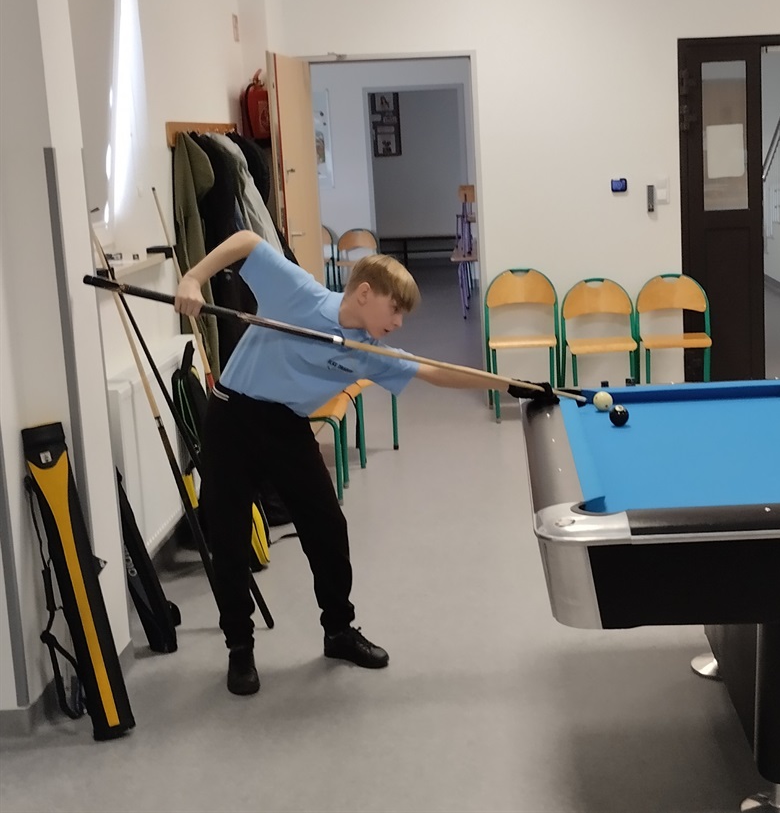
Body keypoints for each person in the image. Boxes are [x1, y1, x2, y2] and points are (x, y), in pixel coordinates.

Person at [174, 230, 554, 695]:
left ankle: (338, 631)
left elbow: (435, 372)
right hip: (233, 415)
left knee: (327, 528)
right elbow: (247, 240)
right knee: (228, 537)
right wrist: (192, 279)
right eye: (394, 309)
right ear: (365, 293)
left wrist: (509, 384)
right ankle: (239, 647)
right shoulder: (299, 293)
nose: (398, 322)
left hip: (288, 427)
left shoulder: (370, 351)